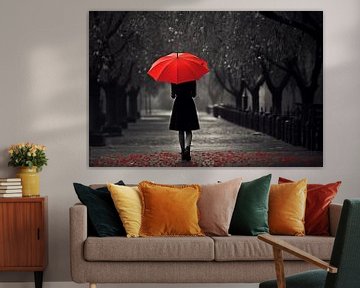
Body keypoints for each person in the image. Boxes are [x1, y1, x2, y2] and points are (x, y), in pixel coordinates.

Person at [169, 80, 200, 161]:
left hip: (179, 104)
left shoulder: (174, 78)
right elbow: (194, 95)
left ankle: (183, 152)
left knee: (181, 129)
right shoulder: (192, 78)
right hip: (189, 103)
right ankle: (187, 148)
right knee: (188, 130)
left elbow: (173, 95)